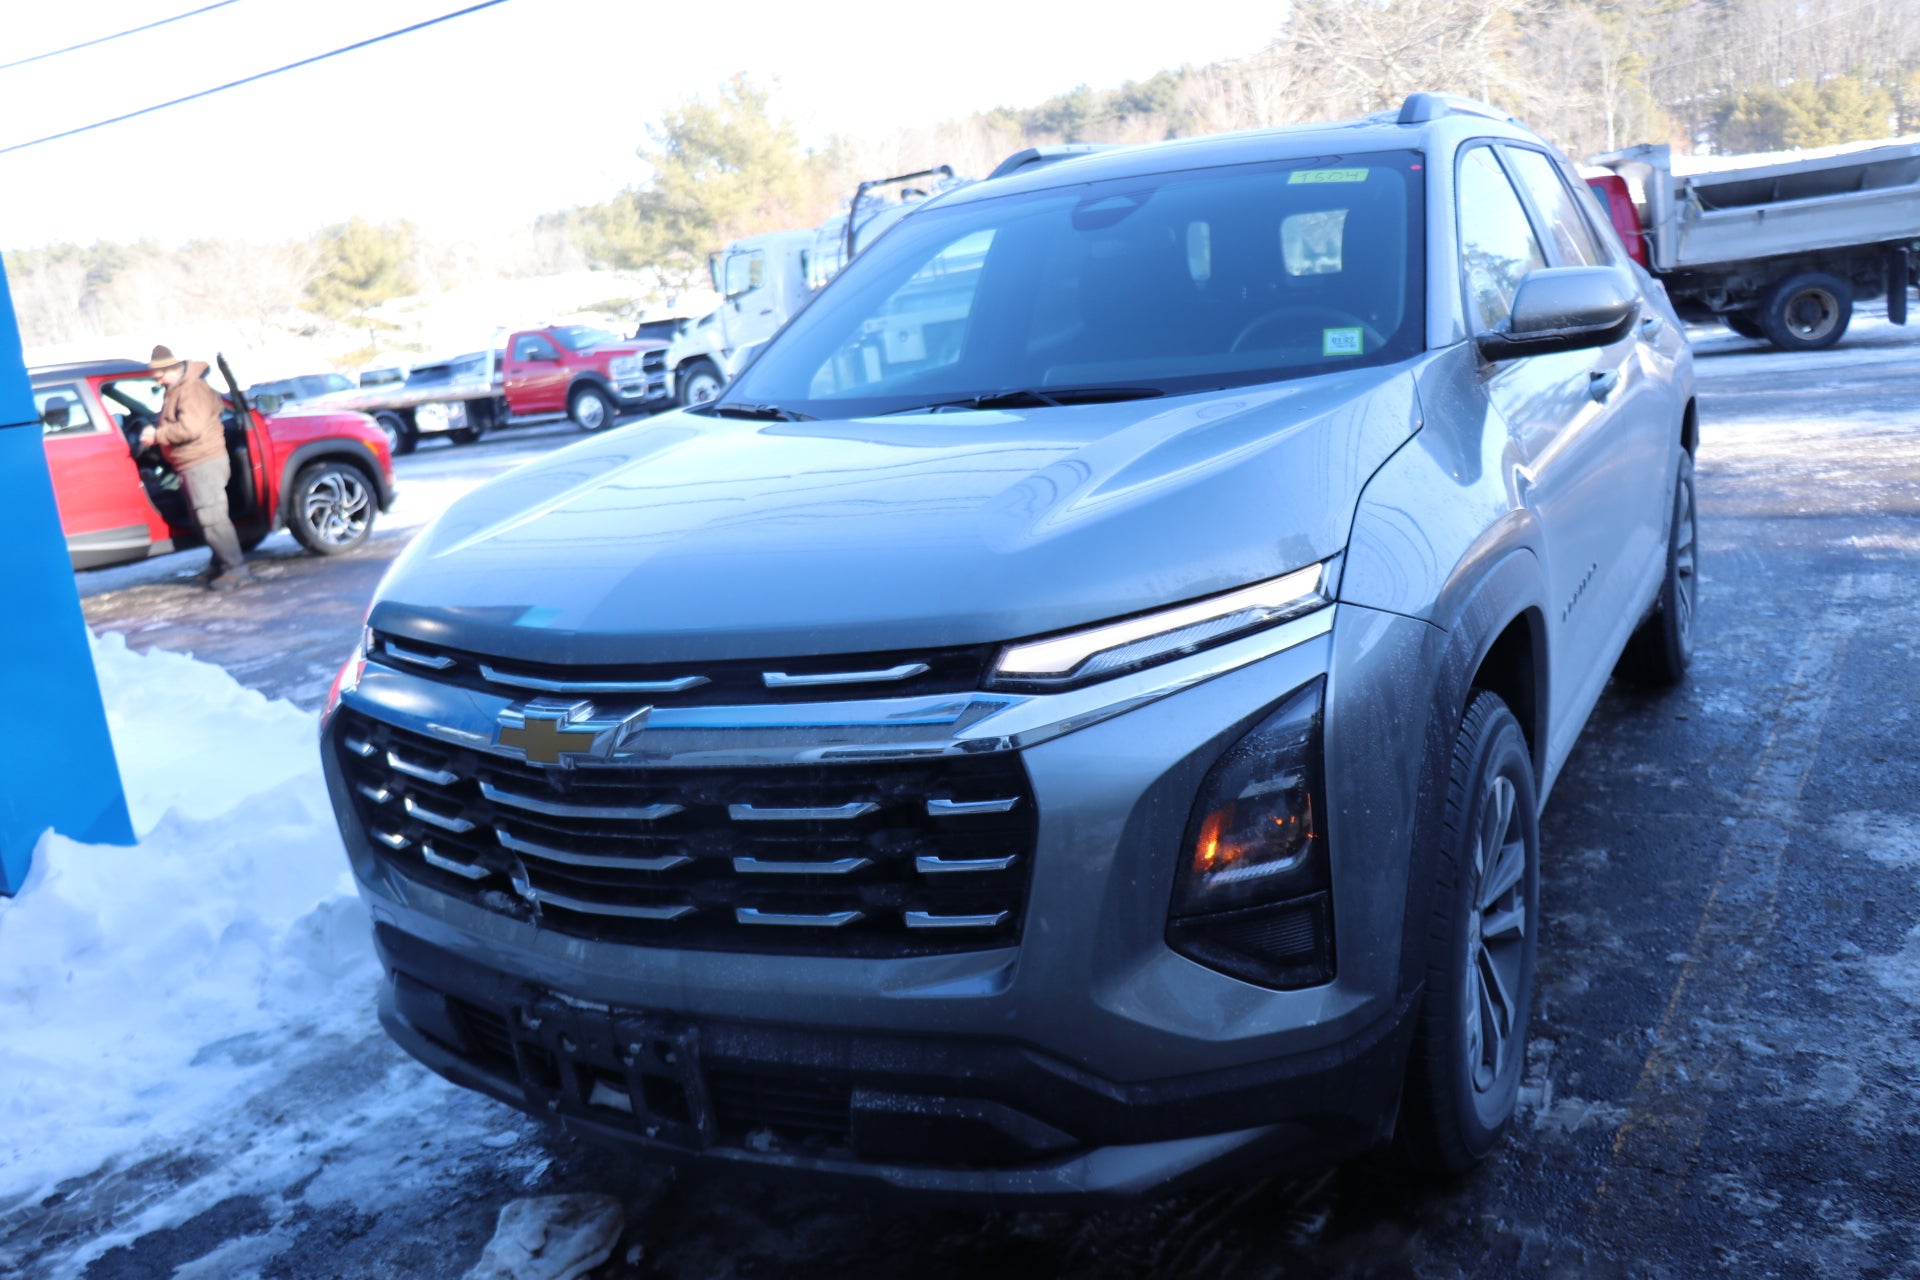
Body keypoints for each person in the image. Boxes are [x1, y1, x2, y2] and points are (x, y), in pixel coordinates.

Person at [139, 345, 252, 590]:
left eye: (159, 374)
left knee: (212, 518)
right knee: (204, 518)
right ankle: (220, 565)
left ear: (172, 368)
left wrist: (157, 435)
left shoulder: (191, 389)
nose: (157, 379)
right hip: (192, 464)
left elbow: (191, 428)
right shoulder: (177, 389)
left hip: (203, 463)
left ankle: (236, 569)